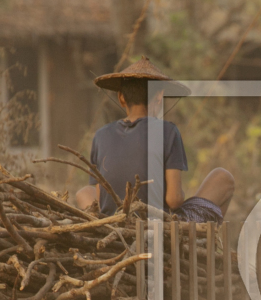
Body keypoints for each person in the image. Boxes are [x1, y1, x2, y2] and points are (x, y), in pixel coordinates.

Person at [74, 57, 233, 223]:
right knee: (223, 177)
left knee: (84, 192)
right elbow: (173, 200)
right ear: (158, 96)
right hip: (158, 226)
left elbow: (101, 200)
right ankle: (206, 243)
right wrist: (182, 196)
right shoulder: (168, 131)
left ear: (121, 98)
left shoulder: (100, 135)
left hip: (113, 223)